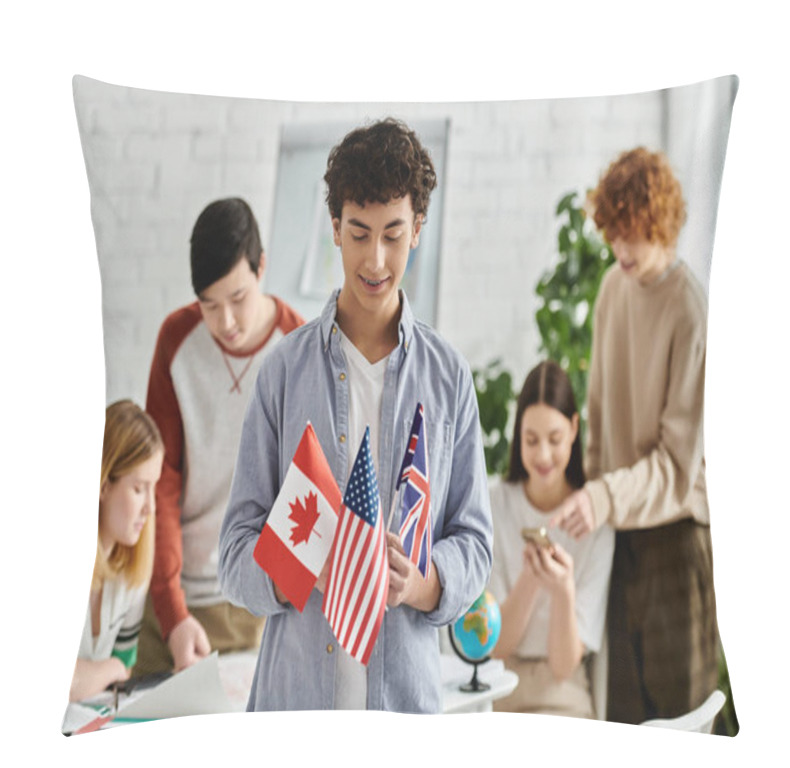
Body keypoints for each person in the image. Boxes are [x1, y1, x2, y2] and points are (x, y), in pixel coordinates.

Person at [217, 118, 493, 713]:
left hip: (405, 710)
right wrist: (300, 569)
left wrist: (421, 585)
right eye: (359, 233)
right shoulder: (283, 374)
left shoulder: (448, 380)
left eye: (393, 234)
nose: (375, 259)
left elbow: (474, 542)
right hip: (293, 708)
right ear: (335, 229)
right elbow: (235, 552)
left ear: (419, 228)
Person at [550, 147, 719, 724]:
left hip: (676, 539)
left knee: (685, 724)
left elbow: (676, 465)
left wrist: (604, 496)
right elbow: (597, 415)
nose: (619, 249)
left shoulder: (690, 310)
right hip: (618, 537)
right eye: (613, 233)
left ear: (660, 226)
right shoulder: (609, 291)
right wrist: (589, 498)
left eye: (632, 235)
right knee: (621, 721)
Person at [135, 198, 305, 675]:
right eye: (209, 305)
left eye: (237, 299)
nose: (225, 322)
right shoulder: (177, 340)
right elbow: (160, 481)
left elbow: (305, 495)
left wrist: (283, 594)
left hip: (259, 604)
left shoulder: (299, 349)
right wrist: (172, 611)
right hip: (175, 601)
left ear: (262, 267)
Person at [488, 361, 614, 718]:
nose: (543, 455)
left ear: (574, 428)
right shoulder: (496, 503)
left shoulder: (596, 522)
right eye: (531, 440)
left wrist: (562, 591)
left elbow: (563, 668)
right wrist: (531, 579)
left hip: (564, 693)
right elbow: (497, 646)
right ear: (518, 435)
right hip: (502, 685)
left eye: (555, 440)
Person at [70, 401, 164, 702]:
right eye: (139, 488)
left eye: (154, 488)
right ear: (103, 484)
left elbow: (122, 675)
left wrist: (103, 672)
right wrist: (109, 667)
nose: (150, 508)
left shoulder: (132, 572)